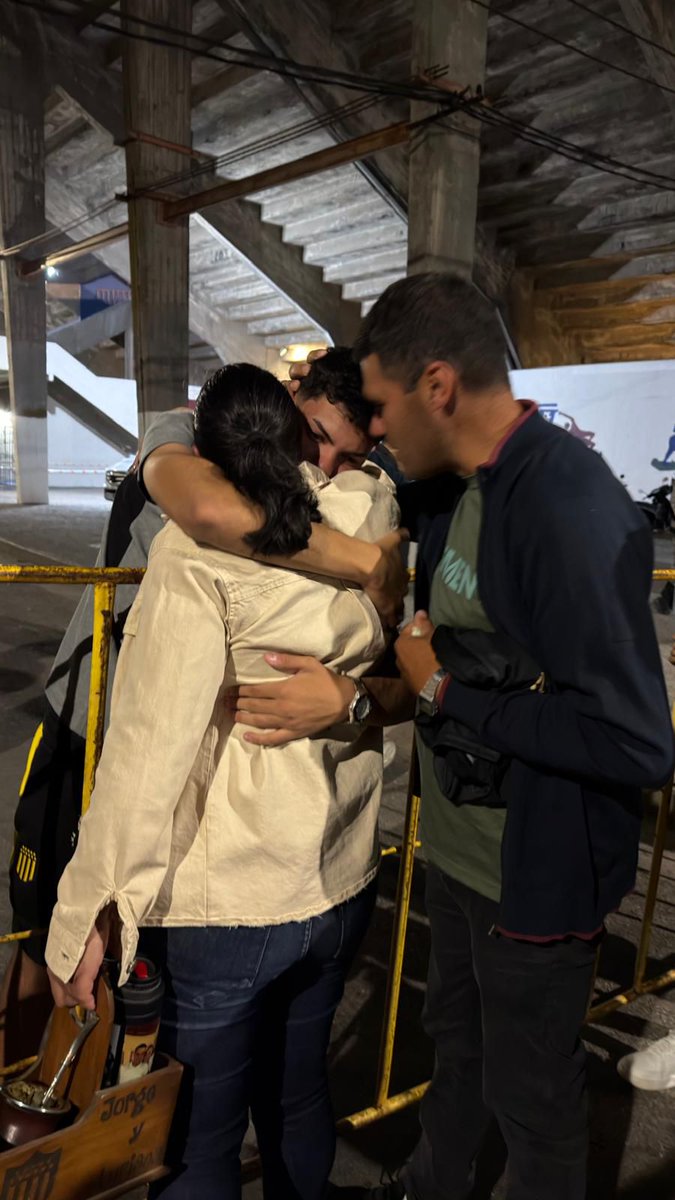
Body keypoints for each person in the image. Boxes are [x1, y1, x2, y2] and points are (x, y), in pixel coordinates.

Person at [140, 275, 674, 1200]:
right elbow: (195, 469)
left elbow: (634, 741)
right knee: (457, 1055)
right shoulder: (446, 486)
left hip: (534, 879)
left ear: (436, 387)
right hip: (462, 859)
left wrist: (442, 689)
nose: (370, 436)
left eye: (380, 408)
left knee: (534, 1106)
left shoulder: (566, 505)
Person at [46, 363, 402, 1200]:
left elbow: (147, 754)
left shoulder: (195, 559)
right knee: (299, 1093)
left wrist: (87, 917)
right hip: (337, 882)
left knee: (197, 1137)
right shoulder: (373, 524)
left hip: (228, 900)